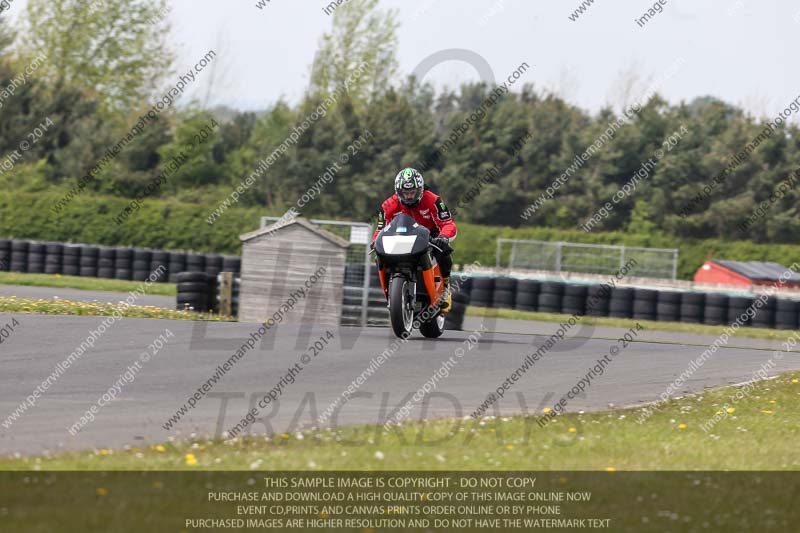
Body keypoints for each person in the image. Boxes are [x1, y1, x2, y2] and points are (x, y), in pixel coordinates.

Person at [371, 168, 457, 310]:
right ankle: (389, 291)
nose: (409, 197)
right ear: (398, 192)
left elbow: (448, 223)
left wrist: (444, 237)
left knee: (444, 251)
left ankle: (445, 286)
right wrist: (375, 241)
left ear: (420, 190)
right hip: (399, 238)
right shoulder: (387, 205)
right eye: (405, 193)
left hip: (430, 236)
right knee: (379, 256)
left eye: (412, 193)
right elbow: (381, 228)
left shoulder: (434, 200)